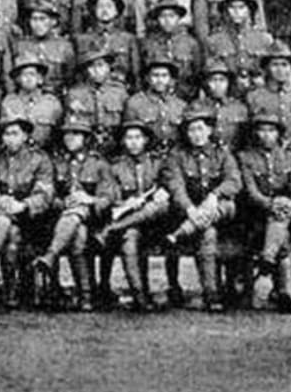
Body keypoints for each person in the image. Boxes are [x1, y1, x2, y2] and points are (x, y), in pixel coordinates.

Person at [0, 115, 54, 309]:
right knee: (10, 231)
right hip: (1, 216)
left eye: (15, 134)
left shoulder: (39, 159)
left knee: (10, 226)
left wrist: (23, 205)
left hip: (31, 220)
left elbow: (45, 194)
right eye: (6, 134)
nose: (10, 138)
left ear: (25, 136)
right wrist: (0, 199)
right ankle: (10, 293)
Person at [163, 103, 242, 312]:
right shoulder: (177, 156)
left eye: (200, 128)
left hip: (222, 209)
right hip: (193, 213)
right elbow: (176, 187)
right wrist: (190, 209)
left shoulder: (222, 154)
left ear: (209, 130)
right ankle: (211, 293)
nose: (196, 134)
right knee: (207, 231)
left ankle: (213, 291)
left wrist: (215, 195)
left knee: (220, 211)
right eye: (191, 130)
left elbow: (234, 181)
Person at [31, 116, 114, 312]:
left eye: (76, 134)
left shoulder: (99, 163)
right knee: (78, 235)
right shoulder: (58, 163)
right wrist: (63, 203)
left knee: (79, 217)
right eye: (67, 134)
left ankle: (51, 256)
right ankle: (85, 295)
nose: (70, 138)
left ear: (86, 138)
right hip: (63, 220)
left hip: (94, 218)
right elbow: (49, 195)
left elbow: (108, 197)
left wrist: (89, 200)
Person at [93, 117, 172, 312]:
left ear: (145, 140)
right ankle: (140, 296)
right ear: (123, 142)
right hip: (131, 223)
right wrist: (125, 203)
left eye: (138, 137)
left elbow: (170, 182)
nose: (134, 142)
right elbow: (111, 195)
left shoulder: (158, 162)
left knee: (157, 206)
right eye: (129, 138)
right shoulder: (116, 166)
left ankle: (110, 230)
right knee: (129, 237)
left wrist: (164, 190)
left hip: (156, 225)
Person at [239, 113, 291, 313]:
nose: (266, 135)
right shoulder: (245, 157)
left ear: (279, 134)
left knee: (280, 221)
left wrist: (287, 205)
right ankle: (283, 292)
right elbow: (251, 193)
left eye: (271, 131)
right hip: (257, 213)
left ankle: (266, 266)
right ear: (255, 133)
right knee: (280, 234)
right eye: (262, 130)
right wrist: (272, 203)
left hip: (288, 214)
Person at [63, 49, 128, 155]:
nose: (96, 71)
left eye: (100, 65)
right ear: (86, 71)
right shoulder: (75, 94)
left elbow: (127, 123)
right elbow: (71, 126)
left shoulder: (119, 92)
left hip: (116, 146)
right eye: (91, 67)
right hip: (87, 147)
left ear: (108, 68)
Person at [205, 0, 273, 93]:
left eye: (242, 8)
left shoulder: (264, 39)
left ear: (249, 11)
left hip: (258, 91)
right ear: (225, 12)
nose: (237, 12)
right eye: (232, 8)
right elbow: (210, 72)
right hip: (228, 93)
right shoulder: (214, 40)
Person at [74, 0, 139, 90]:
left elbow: (135, 72)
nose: (104, 10)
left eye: (109, 6)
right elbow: (77, 73)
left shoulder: (128, 39)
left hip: (121, 89)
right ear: (93, 10)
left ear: (116, 11)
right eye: (100, 6)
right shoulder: (81, 40)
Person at [139, 0, 202, 99]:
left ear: (178, 18)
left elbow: (197, 73)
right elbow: (141, 73)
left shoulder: (190, 43)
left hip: (185, 95)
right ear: (157, 19)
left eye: (172, 16)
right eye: (162, 16)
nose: (167, 20)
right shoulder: (148, 44)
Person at [123, 57, 187, 156]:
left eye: (164, 76)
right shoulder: (134, 103)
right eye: (155, 75)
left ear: (170, 79)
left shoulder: (180, 105)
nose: (160, 80)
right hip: (147, 157)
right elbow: (130, 136)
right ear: (147, 78)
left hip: (174, 156)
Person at [12, 0, 75, 96]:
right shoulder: (21, 45)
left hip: (57, 96)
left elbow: (71, 77)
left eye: (42, 19)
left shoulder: (64, 46)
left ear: (53, 22)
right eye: (34, 19)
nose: (38, 24)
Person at [0, 54, 62, 150]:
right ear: (18, 79)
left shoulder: (52, 103)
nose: (28, 78)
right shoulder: (9, 102)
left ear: (40, 79)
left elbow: (59, 133)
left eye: (32, 74)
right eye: (24, 74)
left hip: (45, 153)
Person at [246, 41, 291, 152]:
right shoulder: (254, 96)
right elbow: (249, 133)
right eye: (275, 65)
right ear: (266, 68)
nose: (280, 70)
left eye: (284, 65)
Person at [199, 59, 248, 151]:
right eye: (213, 80)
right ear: (206, 83)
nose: (218, 85)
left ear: (228, 83)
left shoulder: (239, 108)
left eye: (222, 80)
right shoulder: (198, 107)